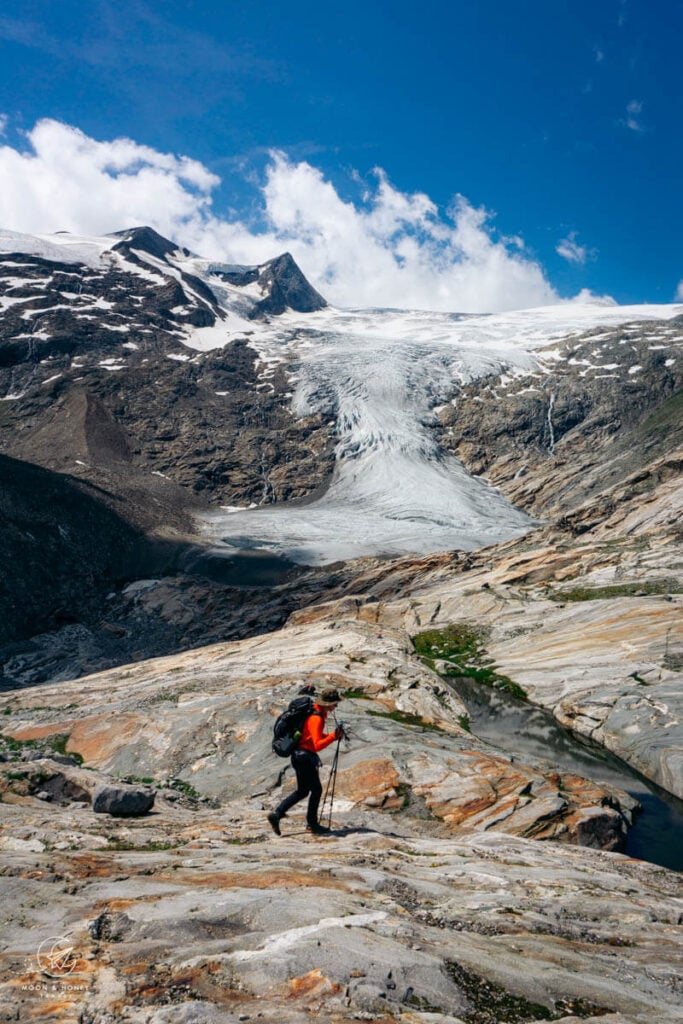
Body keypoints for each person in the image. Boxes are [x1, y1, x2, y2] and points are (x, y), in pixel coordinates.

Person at [267, 687, 343, 836]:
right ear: (328, 704)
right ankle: (312, 825)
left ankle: (277, 814)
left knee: (303, 791)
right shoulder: (317, 718)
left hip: (299, 756)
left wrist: (331, 735)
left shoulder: (313, 712)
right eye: (335, 704)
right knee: (315, 790)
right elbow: (316, 745)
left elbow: (312, 736)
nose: (335, 707)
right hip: (305, 757)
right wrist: (333, 736)